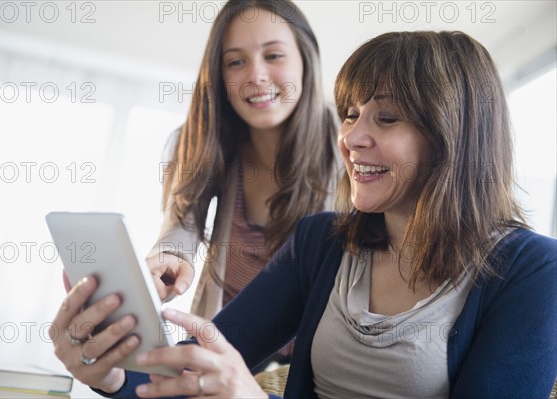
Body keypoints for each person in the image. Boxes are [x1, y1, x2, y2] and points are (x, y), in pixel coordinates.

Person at [51, 31, 557, 398]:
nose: (353, 138)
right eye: (352, 113)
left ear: (456, 138)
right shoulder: (321, 242)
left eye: (387, 117)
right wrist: (109, 373)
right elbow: (193, 370)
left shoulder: (533, 270)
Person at [145, 0, 338, 326]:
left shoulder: (348, 145)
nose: (256, 76)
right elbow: (181, 225)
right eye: (236, 62)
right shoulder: (204, 142)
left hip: (313, 363)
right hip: (227, 350)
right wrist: (170, 260)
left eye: (274, 55)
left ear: (306, 58)